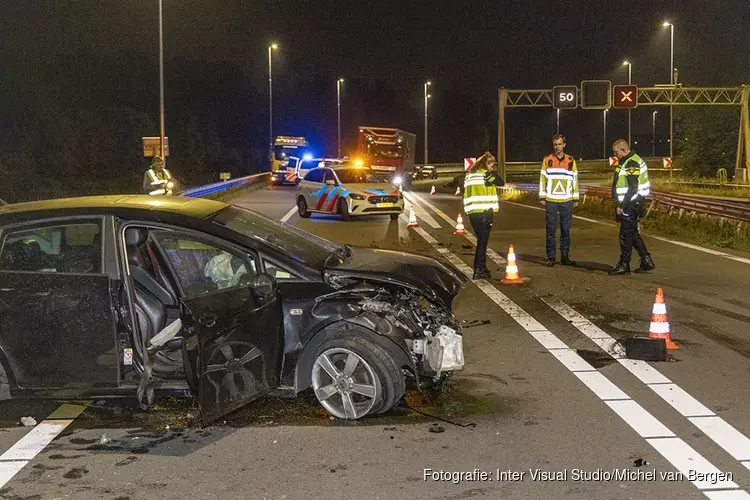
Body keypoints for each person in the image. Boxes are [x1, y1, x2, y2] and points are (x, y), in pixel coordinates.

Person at [608, 139, 655, 275]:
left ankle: (624, 265)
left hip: (630, 203)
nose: (615, 155)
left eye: (616, 152)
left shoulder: (631, 163)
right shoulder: (626, 161)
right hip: (633, 203)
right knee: (632, 233)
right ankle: (646, 260)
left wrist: (622, 205)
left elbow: (633, 187)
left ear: (623, 150)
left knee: (625, 235)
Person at [462, 151, 505, 279]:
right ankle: (478, 269)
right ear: (484, 164)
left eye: (493, 163)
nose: (492, 165)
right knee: (482, 242)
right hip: (484, 213)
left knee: (481, 241)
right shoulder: (486, 176)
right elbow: (501, 182)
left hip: (472, 213)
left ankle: (482, 267)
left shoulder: (469, 175)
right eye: (490, 163)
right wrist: (492, 173)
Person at [539, 134, 579, 267]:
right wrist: (542, 196)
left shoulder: (571, 160)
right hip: (551, 200)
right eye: (555, 144)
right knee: (550, 229)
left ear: (564, 145)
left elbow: (575, 180)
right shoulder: (547, 160)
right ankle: (550, 257)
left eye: (560, 144)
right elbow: (542, 179)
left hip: (566, 200)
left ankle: (564, 256)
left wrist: (575, 197)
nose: (557, 147)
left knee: (565, 230)